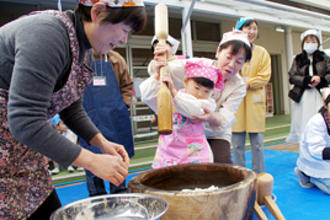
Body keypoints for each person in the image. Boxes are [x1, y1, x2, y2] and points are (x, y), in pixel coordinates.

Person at [0, 0, 146, 219]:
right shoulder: (48, 35)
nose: (124, 40)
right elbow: (25, 121)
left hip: (24, 159)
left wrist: (101, 142)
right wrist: (91, 160)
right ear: (97, 12)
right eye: (124, 30)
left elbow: (70, 106)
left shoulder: (83, 49)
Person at [145, 30, 252, 164]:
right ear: (218, 51)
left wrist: (208, 117)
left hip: (215, 131)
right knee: (178, 164)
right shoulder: (198, 65)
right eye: (229, 57)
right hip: (185, 127)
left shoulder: (238, 85)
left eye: (238, 62)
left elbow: (225, 117)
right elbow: (163, 68)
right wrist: (161, 59)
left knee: (221, 164)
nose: (231, 65)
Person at [140, 59, 223, 168]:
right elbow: (147, 97)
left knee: (196, 182)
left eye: (206, 91)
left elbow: (192, 109)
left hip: (194, 155)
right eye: (196, 88)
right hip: (168, 153)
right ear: (185, 82)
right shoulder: (170, 96)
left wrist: (174, 93)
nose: (199, 94)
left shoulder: (207, 104)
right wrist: (156, 76)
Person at [79, 50, 134, 196]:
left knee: (118, 159)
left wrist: (123, 105)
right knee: (92, 162)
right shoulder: (79, 59)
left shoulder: (116, 60)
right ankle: (97, 197)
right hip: (88, 119)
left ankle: (120, 195)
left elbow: (127, 85)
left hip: (114, 119)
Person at [231, 17, 271, 173]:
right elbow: (227, 71)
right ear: (239, 30)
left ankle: (259, 175)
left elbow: (265, 75)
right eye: (248, 28)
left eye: (254, 28)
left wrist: (249, 82)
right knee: (237, 145)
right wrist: (239, 81)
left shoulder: (262, 53)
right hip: (236, 102)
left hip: (255, 102)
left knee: (258, 145)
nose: (252, 31)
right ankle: (241, 176)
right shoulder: (232, 50)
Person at [286, 29, 330, 143]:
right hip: (302, 96)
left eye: (313, 40)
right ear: (303, 43)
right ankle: (304, 149)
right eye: (308, 41)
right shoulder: (298, 59)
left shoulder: (324, 57)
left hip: (320, 95)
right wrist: (306, 80)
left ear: (318, 43)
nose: (310, 43)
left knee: (321, 121)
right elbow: (292, 76)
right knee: (303, 122)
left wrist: (321, 79)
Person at [295, 87, 330, 195]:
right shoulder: (317, 122)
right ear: (326, 105)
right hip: (318, 163)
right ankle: (308, 176)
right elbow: (315, 151)